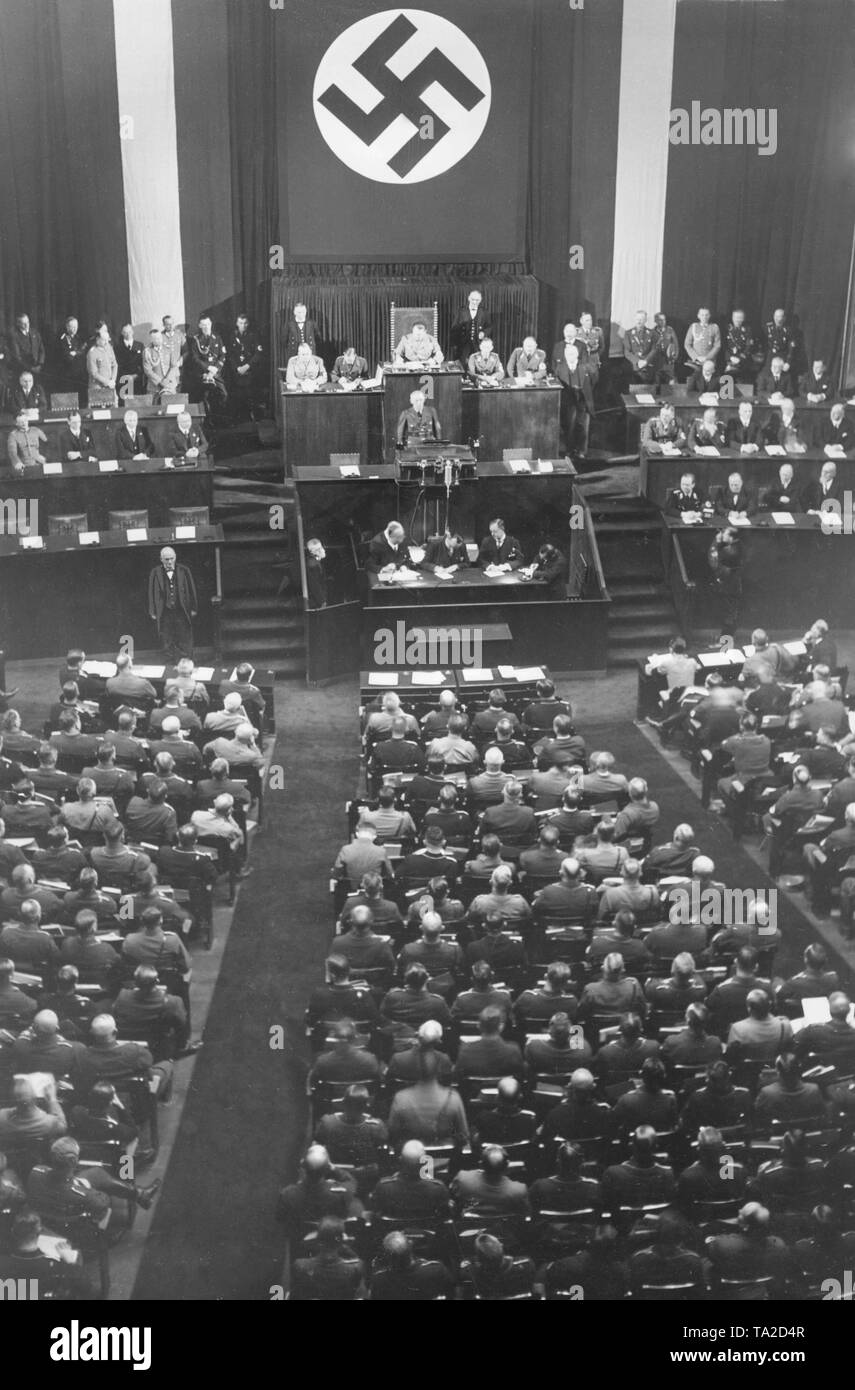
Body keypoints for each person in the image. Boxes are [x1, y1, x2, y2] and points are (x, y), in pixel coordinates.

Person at [148, 546, 198, 662]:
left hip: (181, 611)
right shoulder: (155, 572)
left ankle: (185, 666)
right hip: (164, 612)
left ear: (175, 558)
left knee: (184, 639)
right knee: (166, 639)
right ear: (161, 559)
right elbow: (151, 592)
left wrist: (194, 608)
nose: (169, 562)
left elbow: (192, 590)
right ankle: (169, 666)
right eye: (166, 559)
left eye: (171, 559)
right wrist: (152, 610)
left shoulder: (184, 570)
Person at [187, 315, 228, 420]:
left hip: (216, 373)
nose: (206, 327)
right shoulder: (196, 340)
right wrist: (208, 368)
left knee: (223, 395)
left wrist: (215, 369)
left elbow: (222, 356)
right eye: (203, 325)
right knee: (202, 398)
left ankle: (219, 418)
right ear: (200, 326)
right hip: (202, 373)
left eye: (208, 324)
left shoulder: (217, 337)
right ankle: (205, 421)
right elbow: (195, 359)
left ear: (211, 324)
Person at [225, 313, 265, 418]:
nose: (243, 325)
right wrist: (237, 368)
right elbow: (229, 354)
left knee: (251, 395)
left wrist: (247, 366)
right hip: (236, 371)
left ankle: (252, 417)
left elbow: (258, 353)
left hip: (250, 370)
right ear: (237, 323)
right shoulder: (232, 336)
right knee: (236, 396)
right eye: (241, 323)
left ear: (248, 324)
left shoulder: (254, 335)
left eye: (245, 323)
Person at [707, 526, 742, 638]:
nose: (723, 536)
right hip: (734, 584)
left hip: (729, 587)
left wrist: (716, 542)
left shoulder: (729, 551)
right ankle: (726, 642)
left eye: (725, 534)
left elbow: (714, 563)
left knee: (728, 616)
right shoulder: (739, 546)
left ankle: (725, 645)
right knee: (731, 614)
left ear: (731, 537)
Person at [450, 290, 492, 363]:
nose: (475, 302)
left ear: (480, 300)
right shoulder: (461, 311)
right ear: (469, 298)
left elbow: (489, 327)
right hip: (463, 344)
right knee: (462, 364)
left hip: (478, 344)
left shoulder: (484, 312)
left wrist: (484, 333)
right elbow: (454, 327)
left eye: (477, 300)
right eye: (473, 299)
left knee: (478, 363)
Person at [143, 326, 180, 400]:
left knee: (172, 406)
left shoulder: (169, 349)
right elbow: (148, 370)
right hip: (154, 386)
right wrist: (160, 382)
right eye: (156, 338)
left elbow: (173, 366)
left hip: (169, 384)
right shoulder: (147, 352)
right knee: (153, 407)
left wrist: (166, 380)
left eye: (160, 337)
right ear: (151, 340)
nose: (159, 340)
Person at [7, 312, 45, 379]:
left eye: (27, 322)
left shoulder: (35, 332)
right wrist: (30, 368)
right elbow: (17, 356)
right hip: (23, 369)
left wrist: (40, 364)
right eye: (23, 323)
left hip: (38, 368)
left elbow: (41, 350)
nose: (26, 325)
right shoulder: (14, 336)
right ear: (18, 324)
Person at [86, 324, 118, 402]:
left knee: (114, 406)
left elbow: (115, 365)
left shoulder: (109, 348)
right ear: (98, 339)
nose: (106, 342)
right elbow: (94, 373)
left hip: (111, 386)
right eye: (104, 340)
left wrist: (113, 380)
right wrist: (107, 382)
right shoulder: (92, 352)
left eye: (107, 340)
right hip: (97, 387)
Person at [56, 315, 88, 393]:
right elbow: (66, 355)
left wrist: (75, 353)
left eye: (75, 326)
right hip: (68, 373)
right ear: (67, 327)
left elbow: (83, 352)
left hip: (80, 372)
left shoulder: (79, 338)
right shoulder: (63, 339)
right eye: (72, 326)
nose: (74, 329)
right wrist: (76, 353)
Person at [622, 310, 655, 383]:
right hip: (634, 367)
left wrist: (646, 361)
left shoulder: (651, 333)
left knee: (648, 392)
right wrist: (637, 361)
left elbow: (654, 349)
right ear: (634, 319)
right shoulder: (628, 333)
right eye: (637, 319)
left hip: (648, 367)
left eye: (641, 319)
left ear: (645, 320)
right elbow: (627, 352)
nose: (639, 321)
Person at [724, 308, 756, 381]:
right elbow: (724, 346)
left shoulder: (748, 330)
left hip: (743, 359)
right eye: (736, 317)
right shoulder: (726, 329)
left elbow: (749, 346)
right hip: (729, 359)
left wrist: (740, 358)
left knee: (745, 378)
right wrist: (730, 357)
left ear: (743, 319)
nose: (738, 320)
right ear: (732, 318)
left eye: (740, 318)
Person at [115, 324, 144, 397]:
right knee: (124, 403)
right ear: (122, 333)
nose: (128, 334)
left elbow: (143, 363)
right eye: (125, 332)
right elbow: (116, 365)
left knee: (137, 402)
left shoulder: (140, 345)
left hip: (137, 380)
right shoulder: (117, 347)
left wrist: (137, 375)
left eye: (129, 332)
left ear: (133, 332)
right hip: (123, 380)